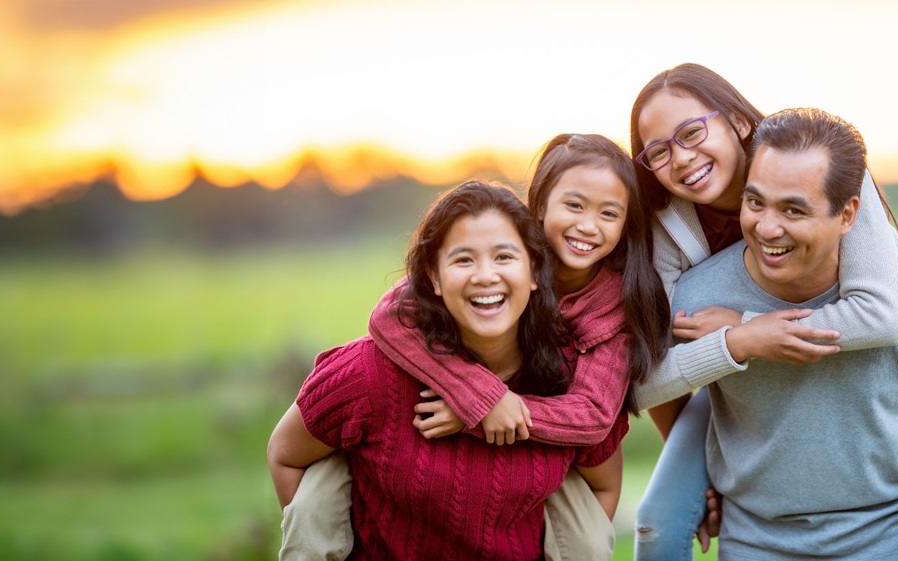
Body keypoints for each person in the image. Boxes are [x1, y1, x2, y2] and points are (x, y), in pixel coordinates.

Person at [629, 64, 898, 560]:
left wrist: (746, 327)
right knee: (658, 520)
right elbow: (654, 364)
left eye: (691, 132)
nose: (681, 159)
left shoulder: (821, 166)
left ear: (737, 121)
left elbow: (884, 317)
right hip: (731, 372)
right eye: (659, 151)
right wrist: (712, 454)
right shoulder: (668, 230)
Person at [267, 181, 629, 560]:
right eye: (463, 260)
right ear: (434, 277)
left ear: (537, 271)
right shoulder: (369, 374)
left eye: (504, 257)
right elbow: (285, 455)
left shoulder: (567, 382)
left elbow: (602, 491)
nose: (485, 276)